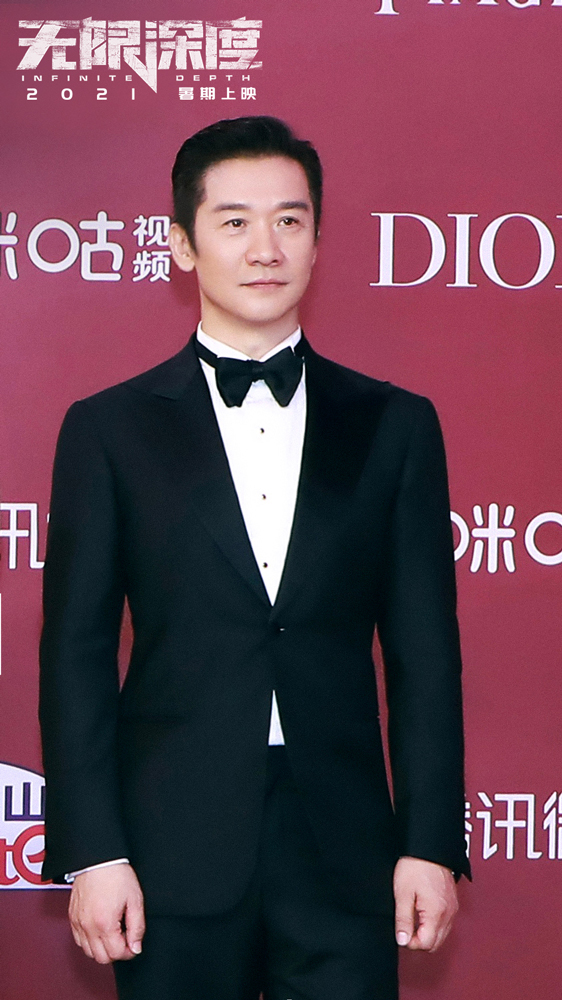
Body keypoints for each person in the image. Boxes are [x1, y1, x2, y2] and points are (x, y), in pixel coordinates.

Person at [39, 116, 470, 1000]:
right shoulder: (108, 430)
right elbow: (76, 653)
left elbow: (425, 654)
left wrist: (430, 842)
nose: (265, 247)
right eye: (234, 221)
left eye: (289, 220)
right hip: (167, 849)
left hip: (346, 849)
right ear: (182, 245)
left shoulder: (395, 425)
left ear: (317, 240)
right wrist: (95, 852)